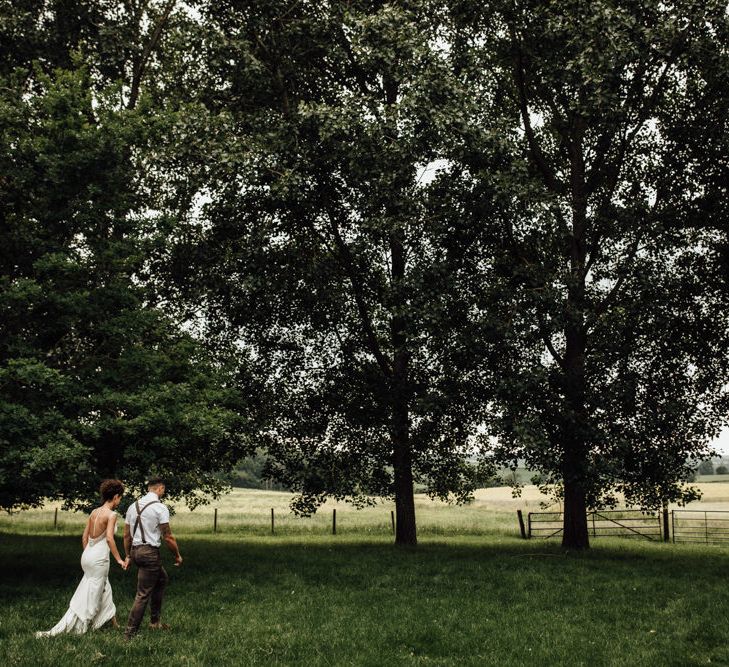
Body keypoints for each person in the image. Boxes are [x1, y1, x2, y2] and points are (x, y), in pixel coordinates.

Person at [36, 479, 128, 638]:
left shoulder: (94, 512)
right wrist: (119, 559)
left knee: (105, 588)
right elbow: (109, 539)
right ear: (115, 496)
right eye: (120, 497)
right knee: (92, 592)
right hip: (99, 558)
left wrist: (89, 553)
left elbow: (84, 537)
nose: (120, 501)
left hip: (88, 555)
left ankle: (113, 622)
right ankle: (82, 624)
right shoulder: (112, 515)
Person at [123, 476, 182, 639]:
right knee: (143, 594)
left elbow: (126, 535)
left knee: (162, 579)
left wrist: (128, 555)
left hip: (135, 551)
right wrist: (177, 555)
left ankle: (155, 622)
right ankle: (130, 633)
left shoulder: (132, 506)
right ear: (160, 488)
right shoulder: (160, 508)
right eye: (164, 489)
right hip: (149, 553)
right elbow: (168, 536)